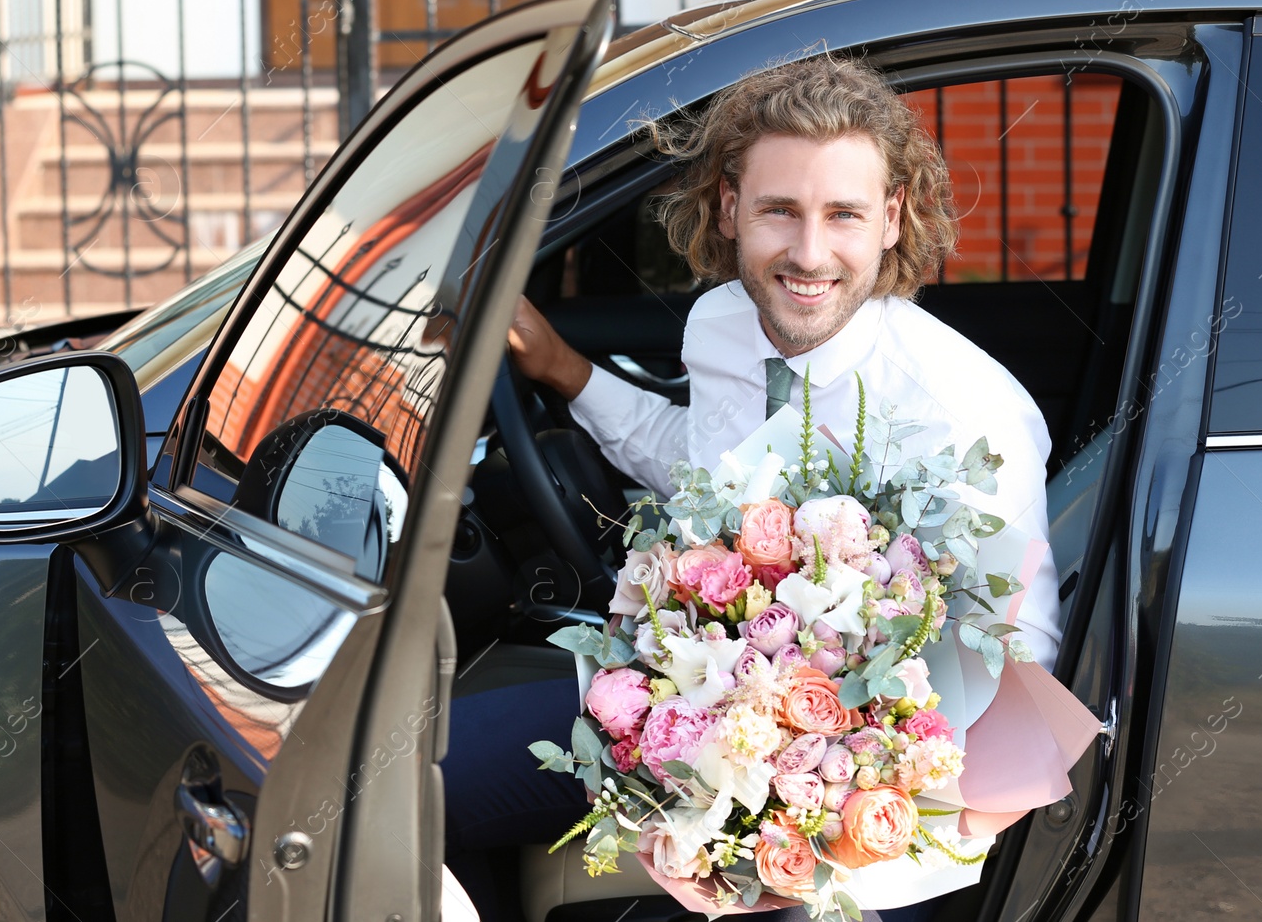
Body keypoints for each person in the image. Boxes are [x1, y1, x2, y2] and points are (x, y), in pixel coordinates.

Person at [443, 54, 1062, 920]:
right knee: (404, 787)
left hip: (863, 801)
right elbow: (708, 475)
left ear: (892, 218)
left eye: (843, 214)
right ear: (730, 207)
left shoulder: (966, 413)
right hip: (687, 704)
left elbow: (1018, 658)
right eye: (780, 210)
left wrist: (797, 832)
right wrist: (565, 370)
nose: (809, 253)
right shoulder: (723, 324)